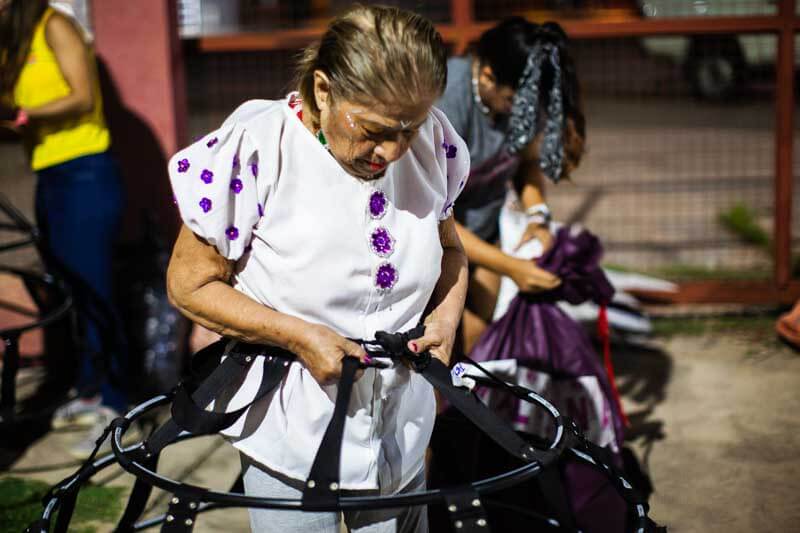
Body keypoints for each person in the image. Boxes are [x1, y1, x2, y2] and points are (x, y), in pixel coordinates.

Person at [165, 5, 469, 532]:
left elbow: (453, 253)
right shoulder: (259, 149)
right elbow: (189, 285)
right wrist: (299, 336)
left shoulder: (429, 147)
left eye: (409, 127)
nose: (394, 150)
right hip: (292, 433)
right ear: (323, 89)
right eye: (373, 130)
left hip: (401, 422)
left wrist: (443, 323)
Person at [0, 0, 128, 457]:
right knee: (70, 288)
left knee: (95, 287)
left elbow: (81, 97)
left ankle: (115, 403)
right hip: (49, 173)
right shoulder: (15, 39)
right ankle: (90, 389)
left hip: (85, 172)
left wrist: (21, 115)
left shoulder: (55, 24)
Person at [435, 18, 586, 353]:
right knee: (437, 343)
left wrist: (537, 215)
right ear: (487, 75)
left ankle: (459, 404)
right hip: (437, 237)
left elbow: (526, 163)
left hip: (483, 230)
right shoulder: (448, 102)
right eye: (511, 103)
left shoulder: (527, 100)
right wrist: (514, 268)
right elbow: (436, 218)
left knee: (476, 335)